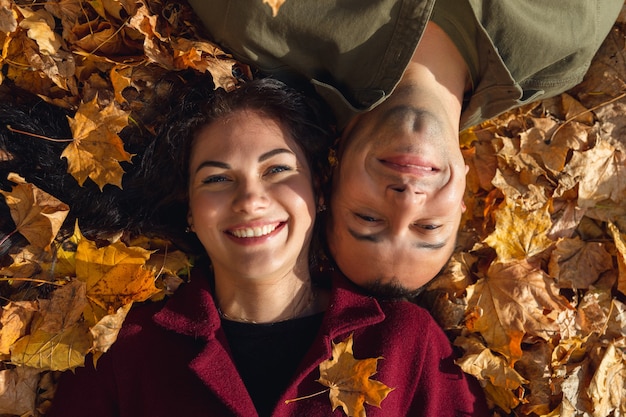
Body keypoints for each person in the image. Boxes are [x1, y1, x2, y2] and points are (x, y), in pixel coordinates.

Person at [28, 77, 489, 416]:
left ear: (319, 192)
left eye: (277, 171)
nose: (250, 199)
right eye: (216, 179)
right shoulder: (128, 350)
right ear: (190, 210)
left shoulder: (404, 342)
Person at [184, 0, 624, 296]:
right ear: (464, 199)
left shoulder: (260, 23)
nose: (407, 201)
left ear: (328, 179)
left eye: (368, 218)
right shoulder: (562, 51)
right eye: (429, 228)